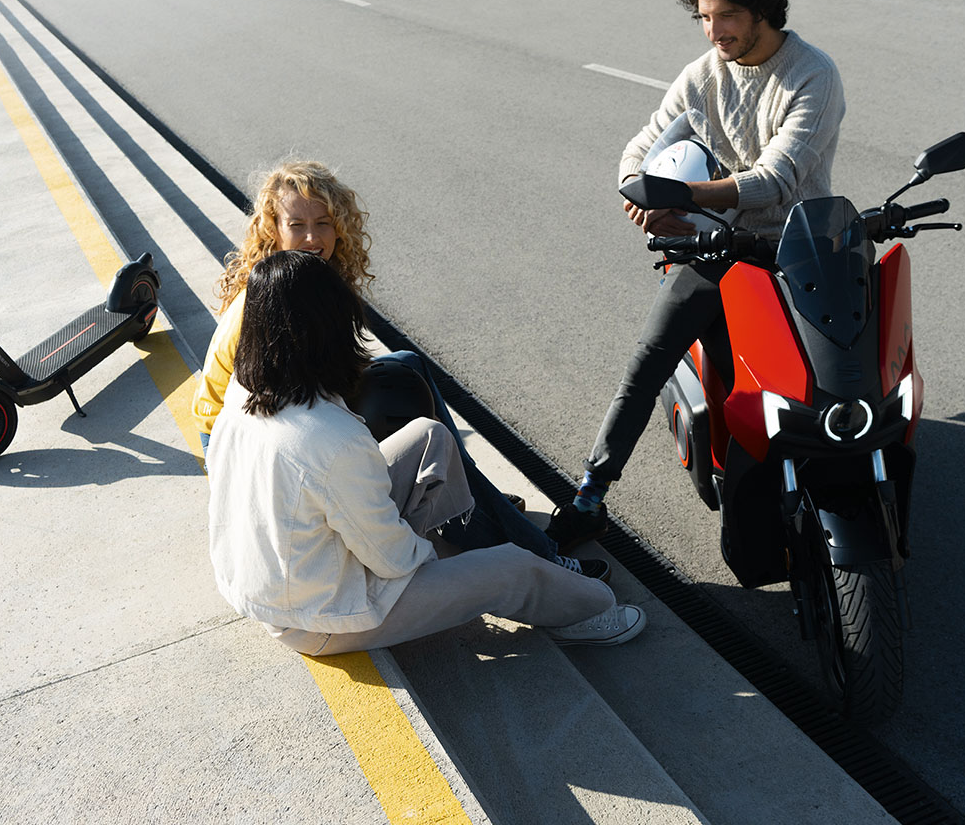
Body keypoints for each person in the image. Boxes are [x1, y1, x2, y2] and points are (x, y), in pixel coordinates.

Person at [206, 251, 647, 654]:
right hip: (321, 618)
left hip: (279, 582)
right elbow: (393, 561)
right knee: (509, 568)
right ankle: (586, 609)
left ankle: (475, 538)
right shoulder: (332, 438)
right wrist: (452, 567)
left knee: (429, 438)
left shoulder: (245, 390)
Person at [193, 160, 606, 578]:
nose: (313, 237)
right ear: (273, 230)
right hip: (244, 446)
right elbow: (284, 412)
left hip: (282, 414)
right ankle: (546, 559)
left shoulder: (308, 277)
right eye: (296, 224)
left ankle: (472, 490)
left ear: (341, 225)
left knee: (408, 368)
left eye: (323, 222)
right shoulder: (275, 299)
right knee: (421, 438)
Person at [547, 0, 845, 548]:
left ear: (765, 10)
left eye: (728, 15)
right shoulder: (704, 74)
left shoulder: (813, 74)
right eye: (705, 18)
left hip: (794, 245)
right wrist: (640, 191)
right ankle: (591, 492)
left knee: (828, 373)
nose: (715, 31)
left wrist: (682, 195)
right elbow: (637, 150)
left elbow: (776, 180)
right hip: (715, 246)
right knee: (649, 358)